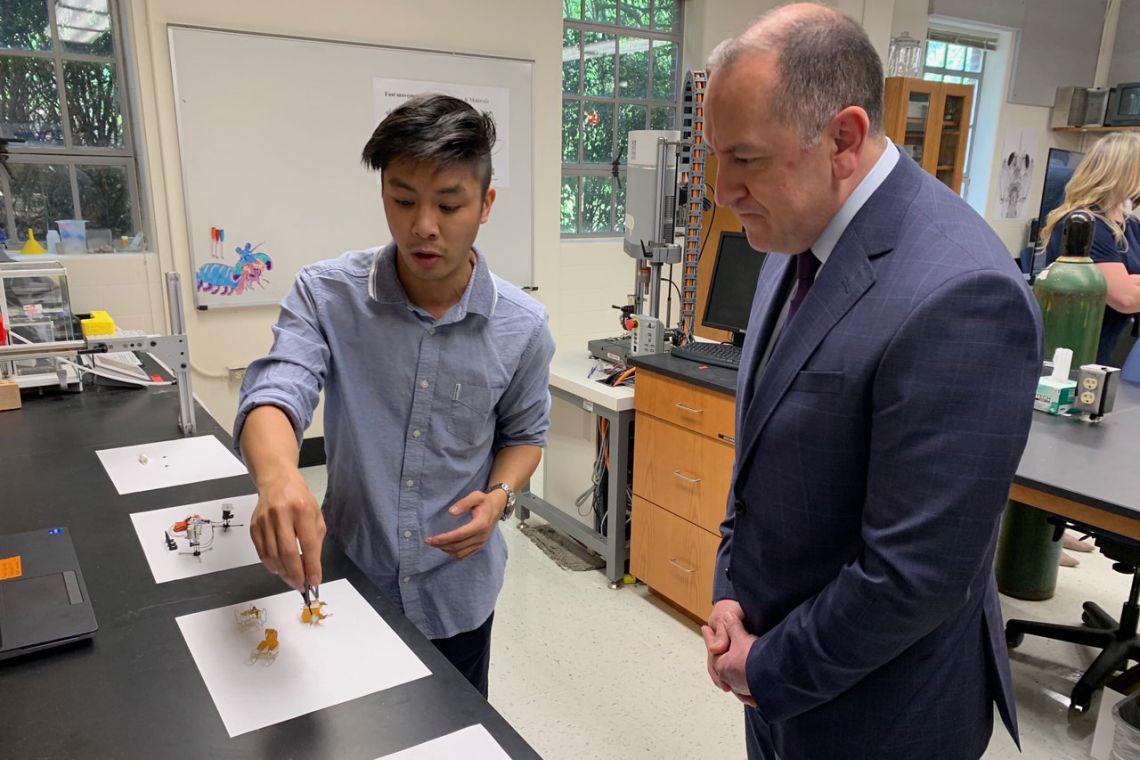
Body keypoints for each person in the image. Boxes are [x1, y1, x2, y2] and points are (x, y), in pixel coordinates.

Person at [699, 5, 1042, 758]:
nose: (723, 190)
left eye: (746, 160)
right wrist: (732, 591)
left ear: (844, 140)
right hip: (775, 674)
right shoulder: (791, 238)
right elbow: (761, 457)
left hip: (882, 713)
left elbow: (913, 575)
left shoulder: (961, 295)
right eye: (716, 156)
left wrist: (768, 664)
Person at [234, 94, 555, 698]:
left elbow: (524, 434)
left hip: (455, 592)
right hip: (352, 574)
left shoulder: (523, 326)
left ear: (485, 204)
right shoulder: (328, 295)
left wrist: (500, 497)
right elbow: (280, 387)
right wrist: (278, 477)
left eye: (449, 203)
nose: (423, 226)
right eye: (403, 200)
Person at [1042, 131, 1140, 366]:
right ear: (1125, 172)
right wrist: (1129, 283)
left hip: (1106, 349)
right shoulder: (1085, 223)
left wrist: (1130, 282)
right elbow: (1124, 298)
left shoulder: (1129, 224)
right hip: (1073, 352)